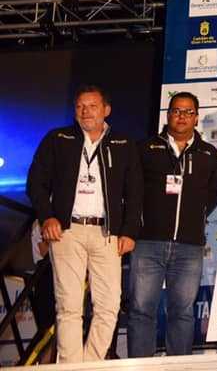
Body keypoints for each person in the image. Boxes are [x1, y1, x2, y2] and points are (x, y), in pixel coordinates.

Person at [26, 84, 142, 364]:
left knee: (109, 305)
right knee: (68, 305)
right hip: (67, 231)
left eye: (92, 106)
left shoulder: (123, 143)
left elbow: (135, 191)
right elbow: (36, 183)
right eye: (80, 106)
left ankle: (91, 364)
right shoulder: (58, 138)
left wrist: (128, 231)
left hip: (107, 233)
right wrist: (47, 216)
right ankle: (70, 366)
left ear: (106, 110)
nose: (85, 111)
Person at [128, 92, 217, 357]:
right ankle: (140, 365)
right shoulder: (145, 148)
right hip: (148, 243)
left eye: (188, 112)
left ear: (196, 118)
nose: (182, 116)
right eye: (176, 111)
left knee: (182, 312)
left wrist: (196, 217)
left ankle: (180, 365)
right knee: (141, 310)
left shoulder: (208, 153)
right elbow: (132, 190)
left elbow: (213, 193)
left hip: (189, 246)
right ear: (168, 114)